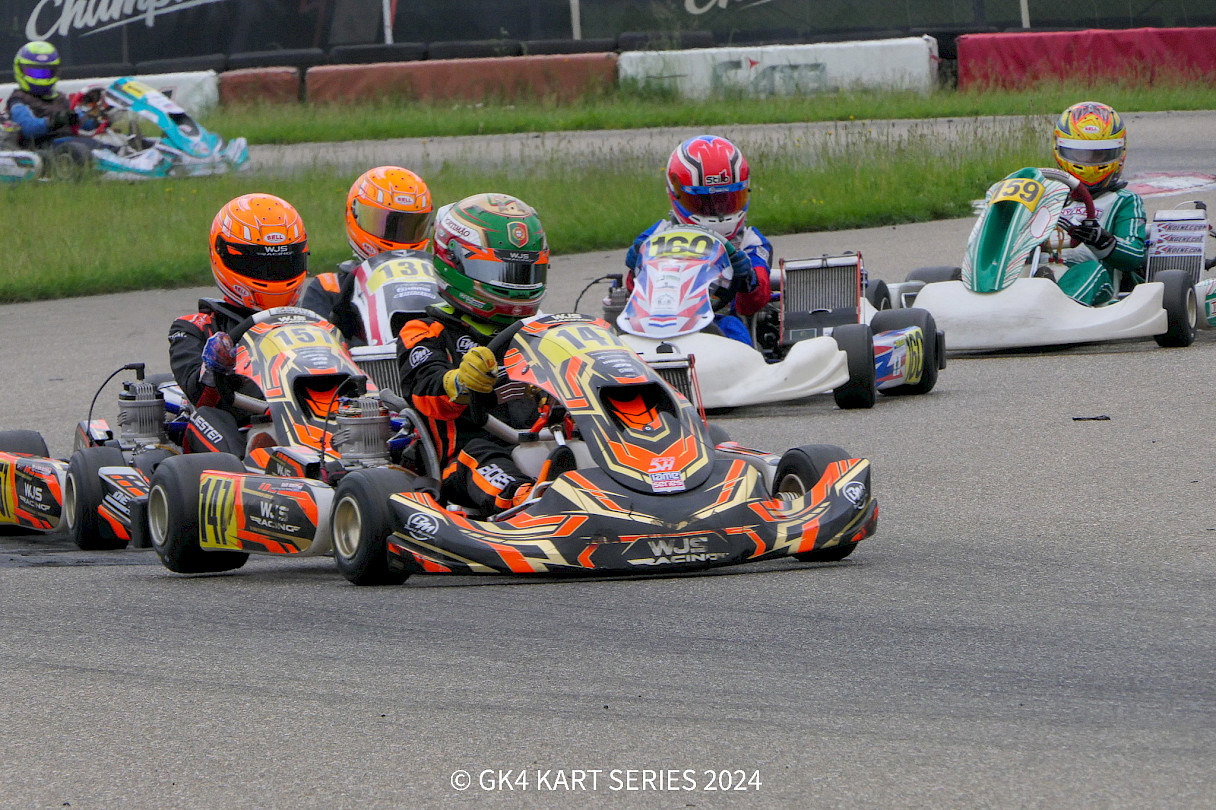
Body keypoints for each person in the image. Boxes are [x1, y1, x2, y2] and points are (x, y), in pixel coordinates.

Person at [396, 193, 548, 514]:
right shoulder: (424, 330)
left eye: (524, 274)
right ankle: (525, 499)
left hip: (545, 442)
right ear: (455, 262)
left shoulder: (541, 331)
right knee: (482, 456)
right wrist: (460, 383)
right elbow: (424, 388)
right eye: (502, 273)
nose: (515, 285)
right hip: (463, 457)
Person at [168, 193, 309, 455]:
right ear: (224, 255)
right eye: (260, 266)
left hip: (309, 417)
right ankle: (251, 463)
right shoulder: (195, 327)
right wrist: (212, 368)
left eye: (282, 264)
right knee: (209, 418)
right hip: (239, 429)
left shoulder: (310, 322)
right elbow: (198, 396)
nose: (272, 275)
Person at [624, 134, 772, 345]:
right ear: (676, 194)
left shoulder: (750, 243)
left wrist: (748, 279)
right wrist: (634, 269)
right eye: (704, 202)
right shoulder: (655, 236)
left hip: (716, 325)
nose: (718, 211)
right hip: (656, 324)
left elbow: (753, 304)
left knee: (733, 328)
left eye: (726, 200)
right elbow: (633, 296)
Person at [299, 165, 434, 343]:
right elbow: (315, 349)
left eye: (408, 227)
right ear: (354, 215)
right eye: (385, 225)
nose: (396, 238)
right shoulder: (330, 288)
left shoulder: (439, 284)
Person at [1051, 101, 1147, 307]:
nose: (1088, 162)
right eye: (1080, 154)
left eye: (1099, 154)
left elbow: (1136, 255)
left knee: (1088, 271)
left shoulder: (1124, 201)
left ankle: (1059, 309)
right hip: (1040, 274)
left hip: (1097, 280)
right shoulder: (1048, 198)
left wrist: (1101, 240)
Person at [6, 41, 100, 151]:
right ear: (20, 70)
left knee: (103, 145)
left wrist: (97, 119)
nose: (41, 78)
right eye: (35, 73)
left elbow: (79, 120)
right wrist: (53, 121)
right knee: (85, 147)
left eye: (46, 73)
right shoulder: (18, 100)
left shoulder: (59, 98)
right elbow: (28, 127)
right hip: (43, 147)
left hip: (70, 143)